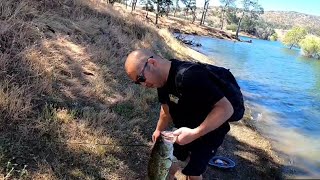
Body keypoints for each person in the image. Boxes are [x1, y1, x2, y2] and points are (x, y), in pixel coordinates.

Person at [124, 49, 234, 180]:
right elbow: (165, 110)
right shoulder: (162, 81)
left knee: (193, 173)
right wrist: (159, 130)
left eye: (141, 78)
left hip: (210, 130)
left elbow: (226, 109)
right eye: (138, 83)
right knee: (168, 163)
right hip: (185, 128)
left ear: (152, 63)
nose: (143, 85)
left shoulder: (190, 76)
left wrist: (195, 133)